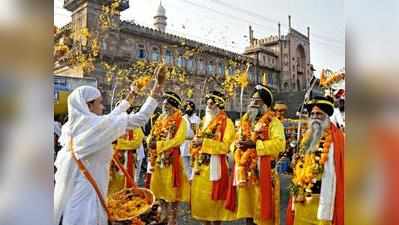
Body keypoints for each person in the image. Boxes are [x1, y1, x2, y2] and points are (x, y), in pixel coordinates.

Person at [54, 80, 163, 225]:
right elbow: (140, 118)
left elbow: (110, 119)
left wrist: (132, 95)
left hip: (77, 198)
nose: (103, 106)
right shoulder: (96, 127)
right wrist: (156, 90)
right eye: (99, 103)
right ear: (89, 106)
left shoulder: (72, 127)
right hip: (89, 202)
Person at [229, 84, 286, 225]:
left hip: (264, 174)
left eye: (258, 100)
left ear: (266, 104)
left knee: (263, 216)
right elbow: (233, 142)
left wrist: (255, 145)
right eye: (252, 99)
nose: (253, 103)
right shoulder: (244, 122)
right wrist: (236, 146)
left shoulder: (274, 122)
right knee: (248, 213)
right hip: (246, 173)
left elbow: (280, 144)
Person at [287, 96, 344, 225]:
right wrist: (295, 162)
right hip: (303, 195)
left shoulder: (337, 139)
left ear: (327, 116)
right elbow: (301, 165)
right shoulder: (307, 137)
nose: (315, 116)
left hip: (323, 197)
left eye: (319, 113)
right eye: (312, 113)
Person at [190, 90, 236, 225]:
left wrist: (203, 143)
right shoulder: (204, 121)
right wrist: (195, 143)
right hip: (201, 165)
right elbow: (198, 140)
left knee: (215, 203)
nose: (208, 106)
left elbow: (225, 147)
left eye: (211, 104)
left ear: (219, 106)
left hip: (215, 167)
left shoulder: (227, 122)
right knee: (203, 201)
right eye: (207, 103)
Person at [148, 91, 190, 225]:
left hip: (172, 160)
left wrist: (159, 145)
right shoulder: (160, 119)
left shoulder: (181, 121)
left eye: (167, 105)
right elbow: (152, 134)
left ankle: (172, 220)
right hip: (157, 160)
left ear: (174, 106)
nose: (164, 107)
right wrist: (150, 140)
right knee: (159, 192)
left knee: (172, 194)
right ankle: (163, 217)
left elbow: (178, 140)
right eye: (163, 104)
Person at [180, 100, 201, 179]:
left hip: (193, 143)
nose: (188, 109)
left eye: (190, 107)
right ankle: (187, 179)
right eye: (186, 107)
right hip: (183, 143)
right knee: (184, 164)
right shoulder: (182, 118)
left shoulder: (197, 119)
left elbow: (198, 131)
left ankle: (192, 180)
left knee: (193, 163)